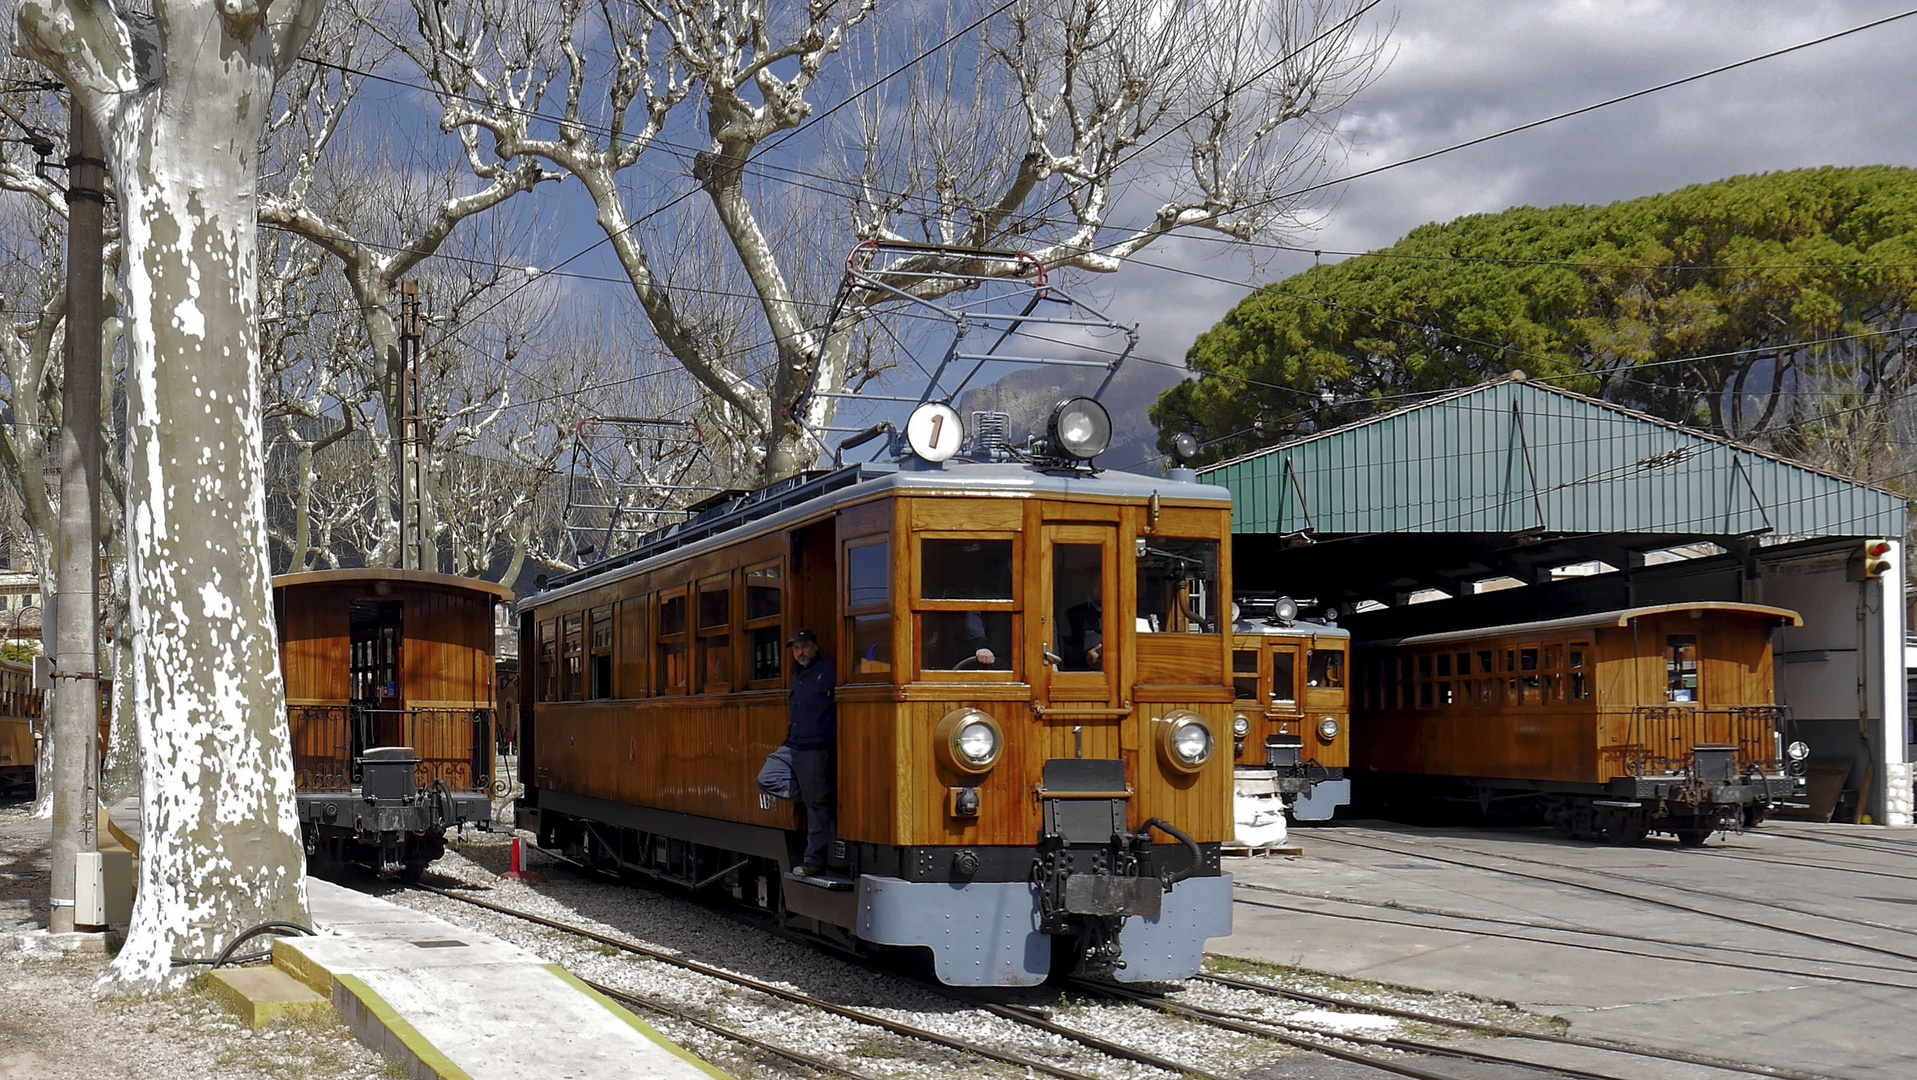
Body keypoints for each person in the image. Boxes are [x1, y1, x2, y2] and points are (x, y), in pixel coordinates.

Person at [784, 628, 837, 875]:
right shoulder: (798, 674)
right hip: (794, 745)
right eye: (796, 648)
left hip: (816, 747)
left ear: (815, 646)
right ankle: (811, 792)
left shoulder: (828, 671)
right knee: (767, 777)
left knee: (816, 804)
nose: (800, 652)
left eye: (804, 647)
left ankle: (814, 860)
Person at [1061, 597, 1103, 671]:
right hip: (1084, 675)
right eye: (1096, 585)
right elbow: (1065, 650)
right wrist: (1086, 658)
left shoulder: (1123, 611)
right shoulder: (1074, 613)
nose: (1100, 588)